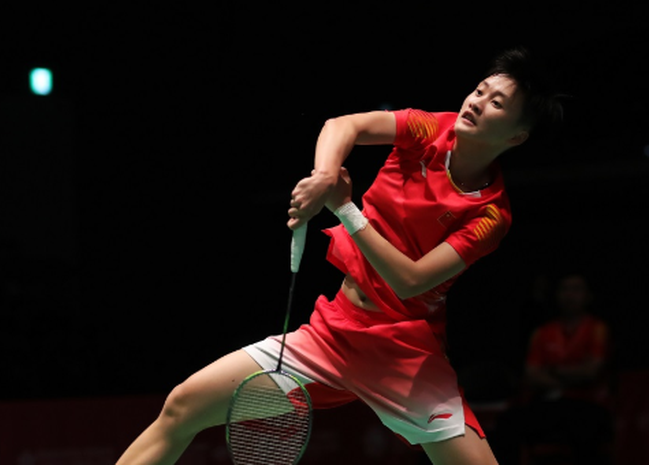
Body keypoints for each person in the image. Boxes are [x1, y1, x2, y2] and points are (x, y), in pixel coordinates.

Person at [116, 45, 565, 465]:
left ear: (517, 135)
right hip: (334, 332)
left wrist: (344, 208)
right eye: (480, 89)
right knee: (181, 406)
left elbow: (411, 280)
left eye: (497, 104)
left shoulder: (490, 215)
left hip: (402, 354)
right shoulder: (431, 128)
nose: (477, 101)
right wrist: (323, 178)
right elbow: (342, 126)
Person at [521, 271, 614, 463]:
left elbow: (591, 372)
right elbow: (531, 374)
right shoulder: (542, 332)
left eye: (576, 289)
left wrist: (552, 371)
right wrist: (571, 377)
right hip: (549, 404)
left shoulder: (598, 329)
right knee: (513, 422)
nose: (569, 295)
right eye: (564, 289)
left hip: (588, 404)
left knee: (584, 429)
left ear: (588, 296)